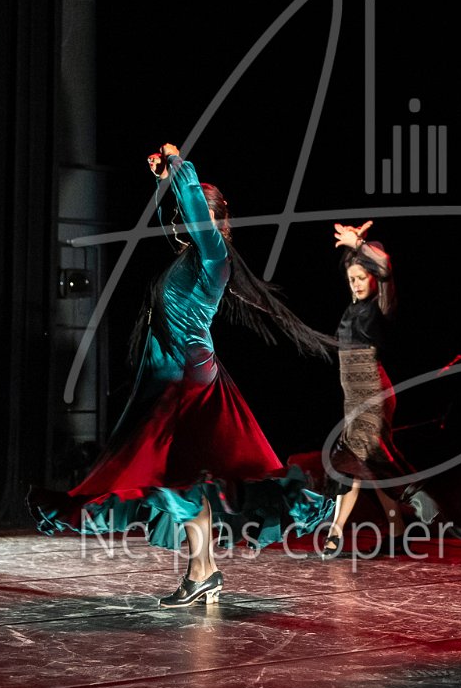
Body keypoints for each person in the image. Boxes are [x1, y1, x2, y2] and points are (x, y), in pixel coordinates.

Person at [29, 144, 332, 606]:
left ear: (208, 219)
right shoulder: (190, 256)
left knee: (172, 478)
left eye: (191, 215)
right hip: (170, 376)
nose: (181, 221)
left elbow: (192, 211)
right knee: (185, 479)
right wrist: (164, 182)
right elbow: (174, 215)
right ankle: (203, 573)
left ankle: (201, 572)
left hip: (187, 381)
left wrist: (179, 164)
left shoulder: (213, 255)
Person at [318, 220, 411, 559]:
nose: (356, 284)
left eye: (361, 278)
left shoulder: (381, 305)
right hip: (353, 400)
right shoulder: (351, 309)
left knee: (351, 463)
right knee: (372, 466)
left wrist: (359, 245)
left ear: (373, 278)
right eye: (351, 279)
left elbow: (385, 268)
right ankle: (398, 533)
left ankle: (334, 532)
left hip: (373, 396)